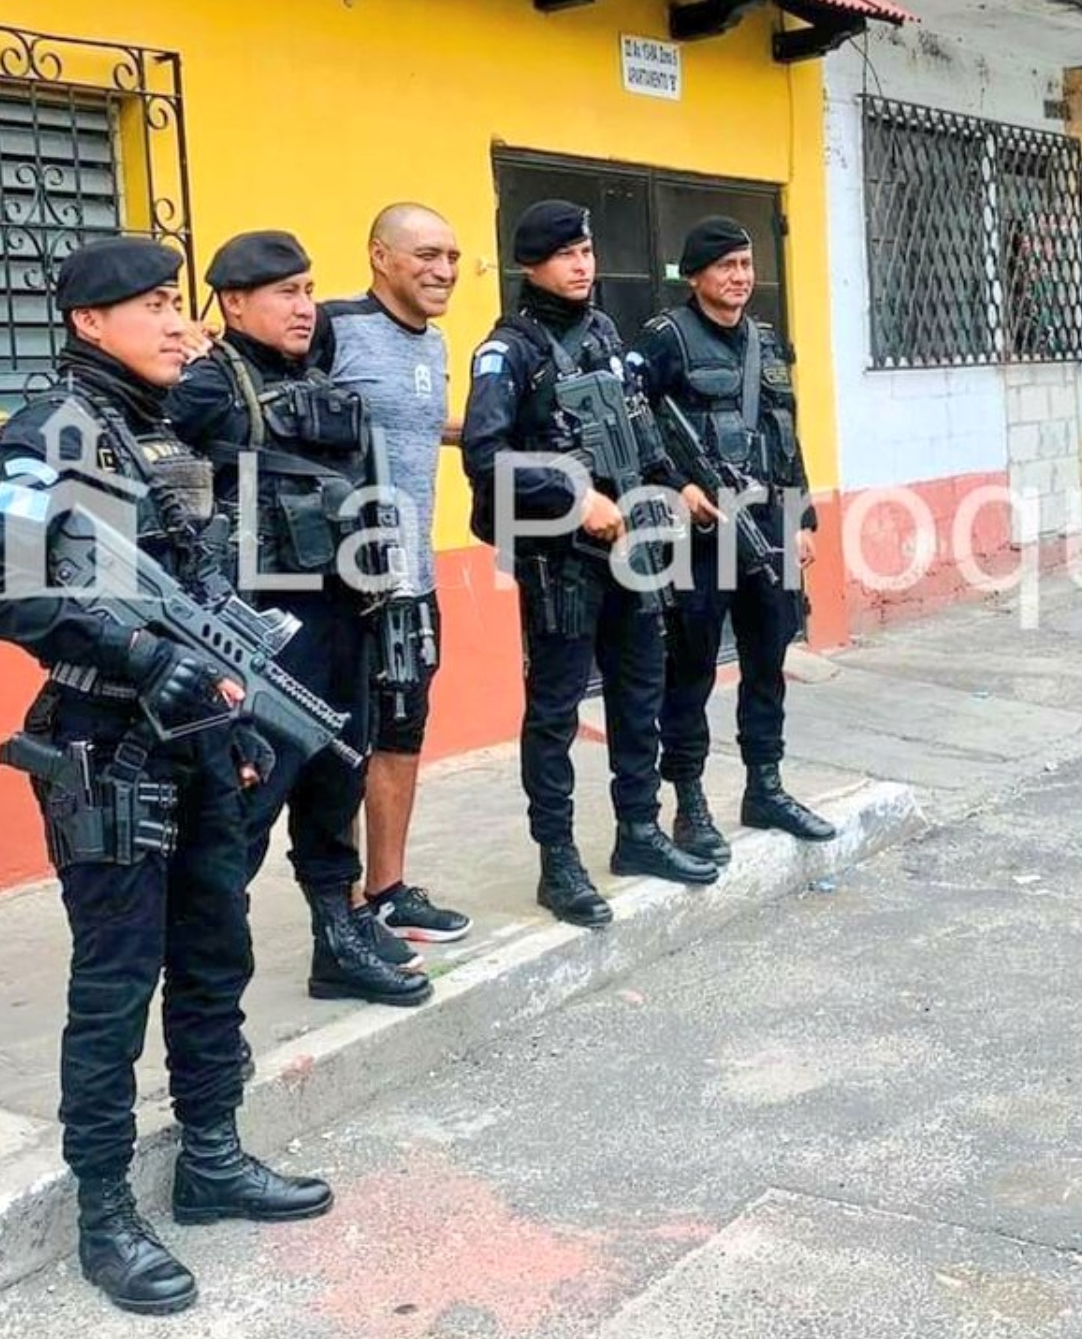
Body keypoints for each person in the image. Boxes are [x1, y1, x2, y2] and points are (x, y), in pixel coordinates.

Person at [0, 236, 332, 1316]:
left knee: (217, 951)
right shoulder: (54, 435)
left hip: (201, 737)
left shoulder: (159, 432)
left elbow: (197, 577)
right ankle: (105, 1211)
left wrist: (242, 709)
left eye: (180, 302)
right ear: (89, 322)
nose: (183, 323)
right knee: (118, 977)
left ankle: (212, 1154)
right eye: (156, 305)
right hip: (106, 741)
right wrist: (148, 656)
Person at [168, 232, 426, 1009]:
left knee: (334, 786)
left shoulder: (320, 375)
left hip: (346, 614)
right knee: (244, 811)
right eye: (286, 293)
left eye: (310, 290)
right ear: (234, 302)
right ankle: (206, 994)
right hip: (264, 635)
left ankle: (338, 942)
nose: (305, 307)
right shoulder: (206, 387)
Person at [462, 199, 715, 926]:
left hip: (631, 550)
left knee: (639, 694)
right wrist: (574, 496)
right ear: (530, 264)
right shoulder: (507, 352)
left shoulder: (604, 331)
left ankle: (638, 829)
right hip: (559, 561)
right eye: (567, 255)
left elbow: (638, 422)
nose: (583, 266)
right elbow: (486, 458)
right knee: (555, 714)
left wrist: (673, 481)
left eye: (587, 252)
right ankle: (558, 861)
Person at [640, 217, 836, 862]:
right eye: (726, 267)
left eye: (747, 265)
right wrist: (672, 488)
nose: (740, 278)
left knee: (767, 662)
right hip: (701, 533)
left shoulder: (767, 343)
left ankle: (766, 786)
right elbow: (636, 429)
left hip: (767, 525)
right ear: (695, 275)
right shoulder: (665, 339)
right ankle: (690, 801)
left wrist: (801, 517)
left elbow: (786, 430)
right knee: (691, 668)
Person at [319, 202, 469, 948]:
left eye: (451, 257)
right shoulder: (329, 327)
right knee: (342, 739)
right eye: (427, 255)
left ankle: (387, 891)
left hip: (415, 578)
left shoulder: (434, 343)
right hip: (345, 580)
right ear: (381, 256)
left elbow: (412, 423)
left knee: (403, 733)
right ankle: (338, 906)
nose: (444, 271)